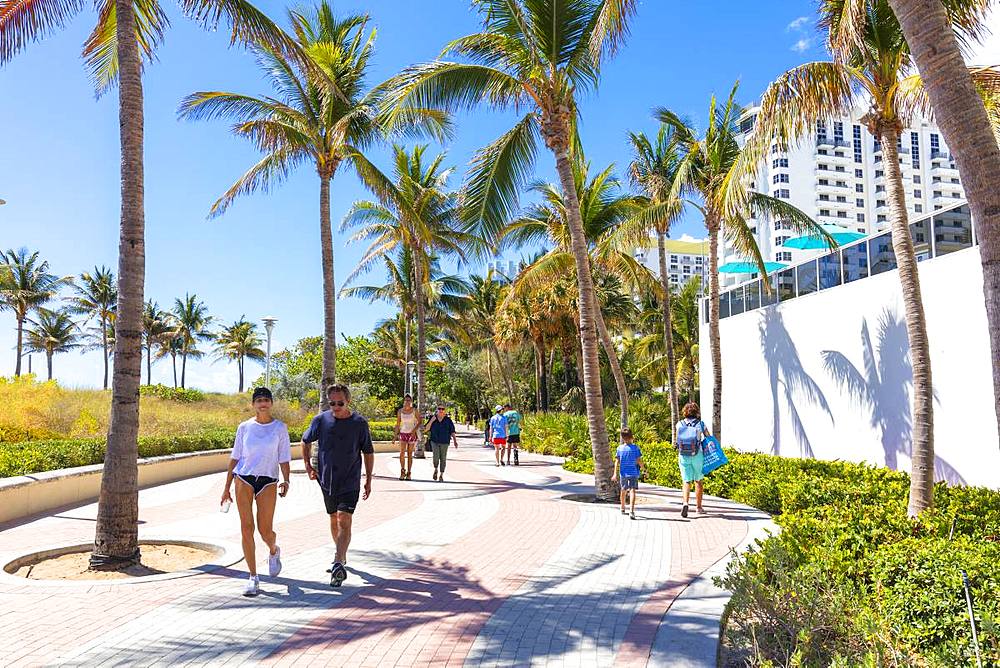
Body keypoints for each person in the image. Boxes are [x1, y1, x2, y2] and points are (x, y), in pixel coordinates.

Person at [302, 384, 375, 587]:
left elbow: (368, 452)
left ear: (348, 401)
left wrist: (368, 479)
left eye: (339, 403)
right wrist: (308, 466)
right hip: (326, 480)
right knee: (334, 518)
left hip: (350, 480)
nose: (335, 406)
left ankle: (337, 561)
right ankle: (341, 556)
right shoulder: (321, 420)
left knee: (344, 518)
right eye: (332, 403)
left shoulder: (359, 423)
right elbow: (305, 440)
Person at [221, 387, 291, 597]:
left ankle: (273, 550)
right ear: (253, 404)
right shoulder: (244, 427)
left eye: (266, 400)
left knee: (265, 531)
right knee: (246, 528)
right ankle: (253, 577)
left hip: (268, 480)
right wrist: (226, 487)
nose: (263, 403)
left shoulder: (280, 428)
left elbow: (284, 457)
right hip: (243, 477)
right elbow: (235, 457)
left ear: (271, 403)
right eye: (259, 400)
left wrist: (286, 480)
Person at [675, 402, 709, 518]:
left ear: (685, 412)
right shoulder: (701, 424)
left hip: (683, 454)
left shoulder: (679, 424)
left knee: (686, 481)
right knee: (698, 481)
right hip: (697, 454)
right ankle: (699, 508)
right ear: (696, 412)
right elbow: (708, 438)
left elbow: (677, 440)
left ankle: (685, 503)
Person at [612, 428, 643, 520]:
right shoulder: (636, 448)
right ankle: (632, 511)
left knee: (623, 490)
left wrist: (614, 473)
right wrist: (644, 469)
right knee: (632, 491)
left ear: (622, 437)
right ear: (631, 436)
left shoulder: (620, 448)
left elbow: (617, 461)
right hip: (634, 472)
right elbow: (639, 461)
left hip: (623, 473)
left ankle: (622, 508)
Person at [424, 405, 459, 482]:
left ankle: (441, 475)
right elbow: (426, 429)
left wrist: (455, 441)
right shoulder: (432, 418)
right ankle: (436, 469)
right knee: (435, 457)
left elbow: (452, 431)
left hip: (445, 441)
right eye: (439, 409)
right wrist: (432, 420)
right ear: (437, 410)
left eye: (442, 409)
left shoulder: (448, 420)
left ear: (445, 410)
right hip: (434, 441)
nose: (441, 410)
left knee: (443, 458)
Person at [395, 394, 419, 480]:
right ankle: (402, 470)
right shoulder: (400, 411)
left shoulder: (414, 411)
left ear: (411, 402)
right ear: (404, 401)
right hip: (403, 433)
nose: (407, 402)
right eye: (406, 400)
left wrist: (414, 431)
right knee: (402, 453)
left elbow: (420, 421)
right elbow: (398, 424)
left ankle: (409, 473)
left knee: (409, 454)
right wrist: (395, 436)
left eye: (409, 400)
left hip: (411, 434)